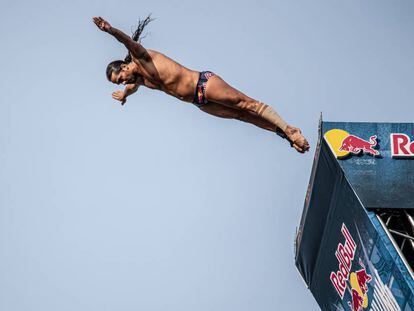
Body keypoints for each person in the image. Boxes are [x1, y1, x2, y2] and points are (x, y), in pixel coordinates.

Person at [93, 16, 310, 153]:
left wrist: (110, 30)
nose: (123, 82)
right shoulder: (138, 80)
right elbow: (132, 87)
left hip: (203, 85)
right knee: (241, 116)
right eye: (119, 83)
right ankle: (284, 135)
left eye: (120, 78)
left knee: (246, 104)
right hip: (199, 102)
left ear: (123, 66)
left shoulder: (141, 57)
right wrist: (125, 96)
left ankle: (289, 129)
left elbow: (127, 41)